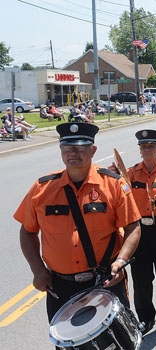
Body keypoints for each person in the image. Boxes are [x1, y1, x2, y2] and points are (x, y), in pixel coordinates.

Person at [14, 122, 141, 326]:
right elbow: (27, 232)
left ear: (93, 150)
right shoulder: (42, 188)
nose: (73, 153)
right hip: (61, 286)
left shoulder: (114, 184)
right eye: (67, 147)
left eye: (81, 147)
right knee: (68, 344)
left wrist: (121, 261)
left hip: (106, 279)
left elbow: (133, 227)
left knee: (117, 339)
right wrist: (37, 269)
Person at [110, 129, 156, 335]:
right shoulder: (131, 173)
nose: (147, 150)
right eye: (143, 146)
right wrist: (113, 175)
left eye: (151, 146)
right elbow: (119, 190)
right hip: (138, 231)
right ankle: (146, 319)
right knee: (141, 279)